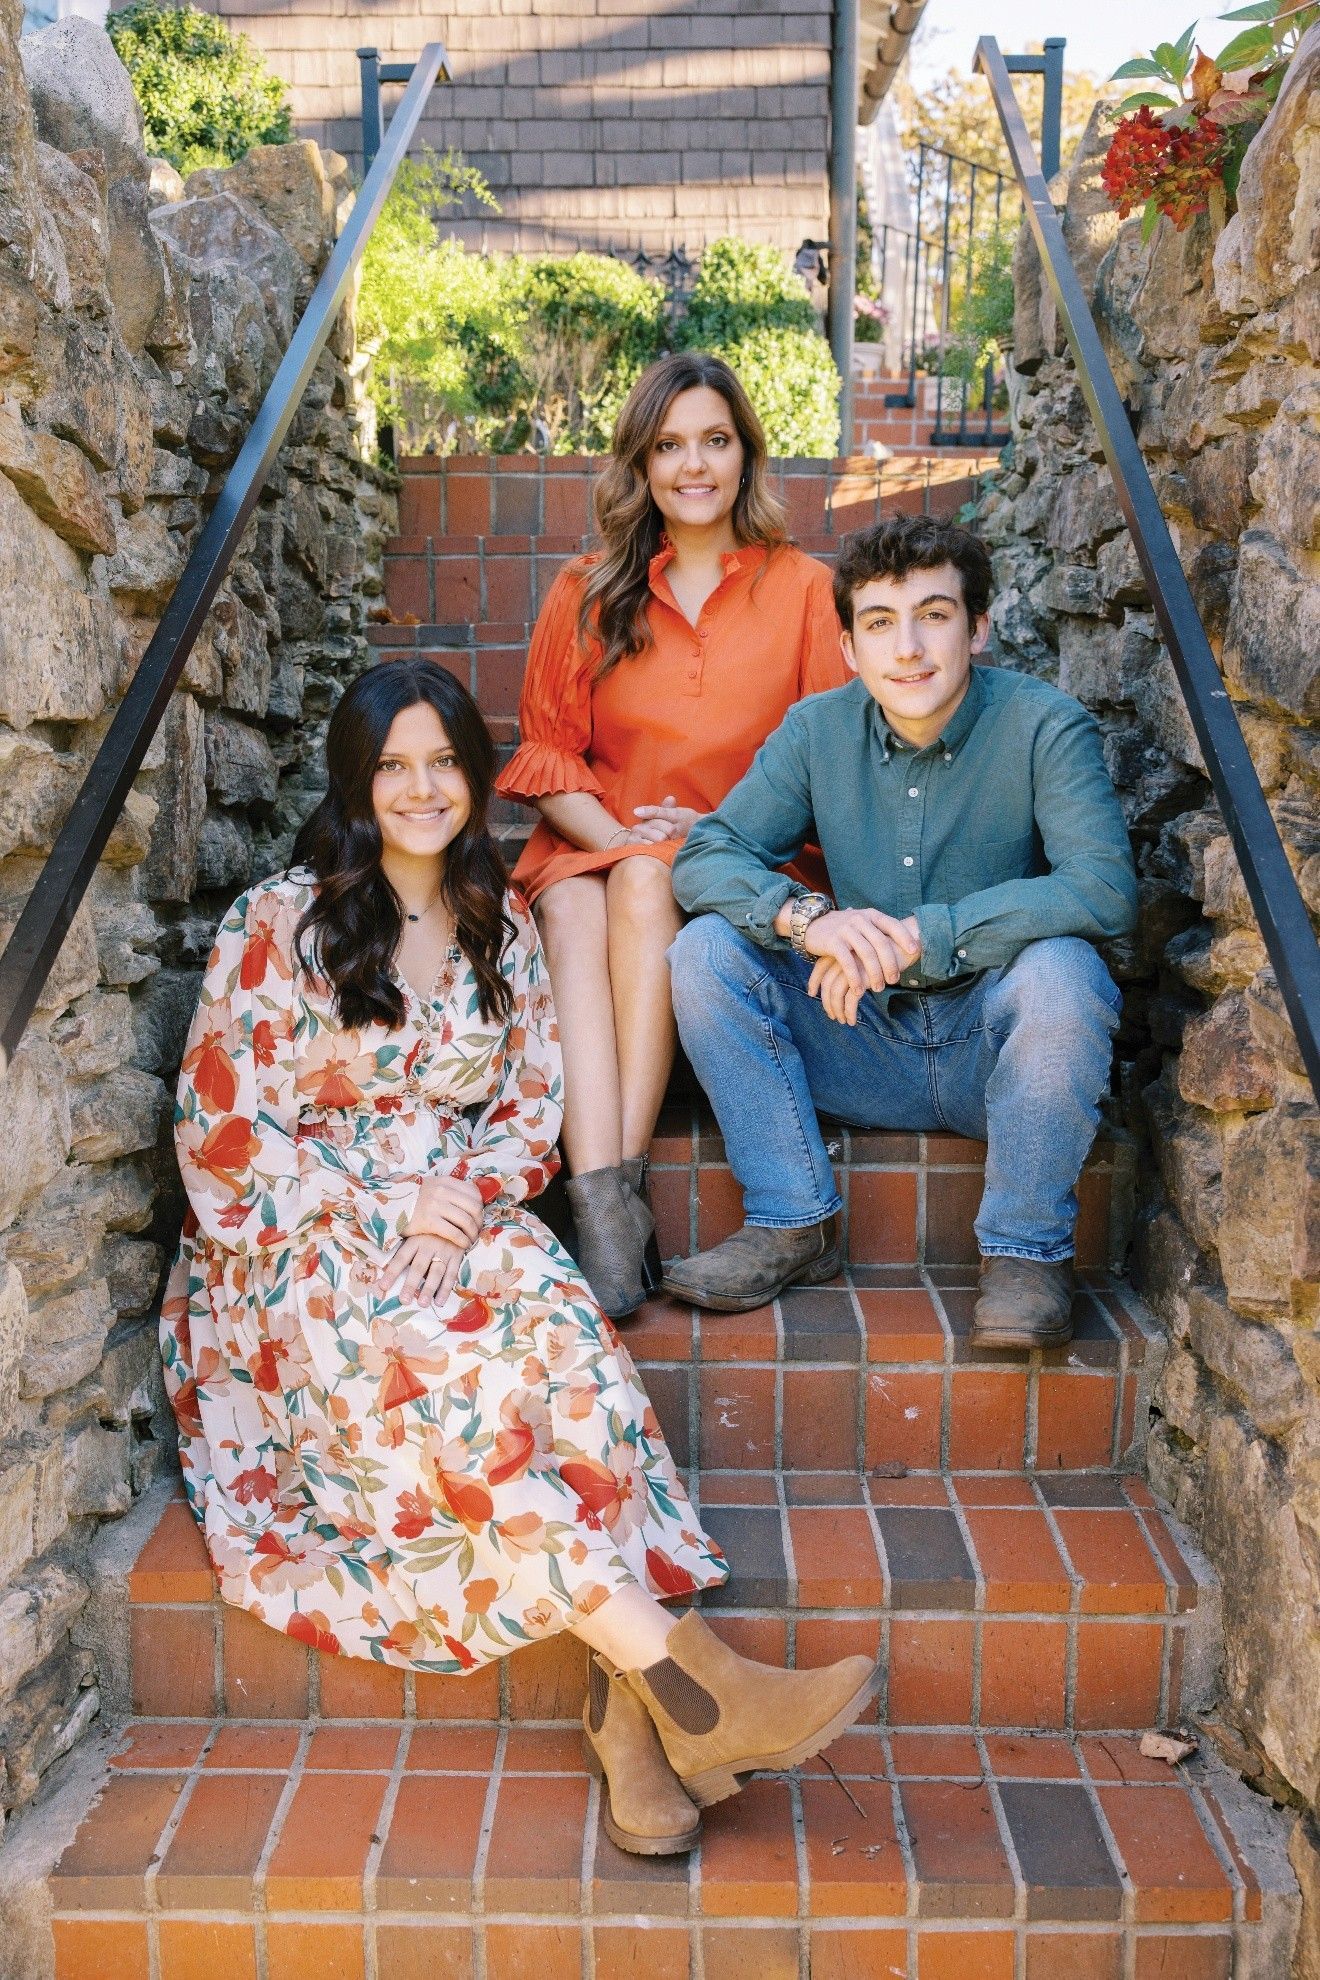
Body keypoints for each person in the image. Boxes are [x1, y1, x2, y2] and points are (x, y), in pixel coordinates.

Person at [162, 657, 876, 1860]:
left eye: (444, 760)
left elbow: (532, 1098)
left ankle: (637, 1720)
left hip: (459, 1211)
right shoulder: (277, 921)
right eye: (393, 766)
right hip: (295, 1246)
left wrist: (469, 1195)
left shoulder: (502, 916)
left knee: (550, 1328)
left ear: (477, 778)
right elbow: (224, 1132)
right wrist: (393, 1218)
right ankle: (694, 1684)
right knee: (454, 1387)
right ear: (356, 781)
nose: (422, 787)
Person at [665, 515, 1138, 1347]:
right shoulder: (817, 729)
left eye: (936, 614)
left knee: (1065, 970)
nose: (908, 646)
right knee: (705, 950)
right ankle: (791, 1221)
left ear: (979, 626)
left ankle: (1027, 1253)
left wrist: (928, 934)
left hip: (991, 1053)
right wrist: (810, 920)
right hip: (854, 1035)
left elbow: (1102, 889)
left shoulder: (1045, 725)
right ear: (849, 648)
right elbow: (706, 855)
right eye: (880, 623)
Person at [495, 350, 848, 1319]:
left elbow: (832, 769)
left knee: (646, 884)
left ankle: (607, 1186)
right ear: (641, 464)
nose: (694, 465)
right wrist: (618, 838)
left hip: (736, 861)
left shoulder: (808, 591)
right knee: (570, 899)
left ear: (746, 456)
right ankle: (608, 1197)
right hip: (590, 841)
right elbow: (549, 758)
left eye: (715, 442)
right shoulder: (587, 588)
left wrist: (713, 836)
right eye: (669, 445)